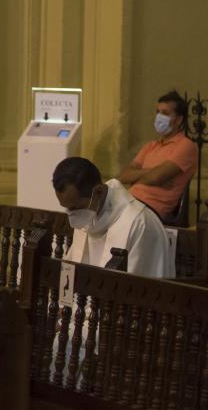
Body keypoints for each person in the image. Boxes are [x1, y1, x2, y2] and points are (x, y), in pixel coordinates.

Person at [55, 157, 171, 277]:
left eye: (76, 208)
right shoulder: (87, 215)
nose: (72, 216)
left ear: (99, 192)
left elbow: (139, 284)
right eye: (67, 209)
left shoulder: (139, 223)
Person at [117, 90, 196, 222]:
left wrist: (137, 178)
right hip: (130, 202)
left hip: (150, 210)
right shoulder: (151, 146)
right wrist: (152, 174)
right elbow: (124, 176)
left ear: (179, 120)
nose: (159, 117)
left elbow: (156, 177)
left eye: (165, 113)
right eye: (157, 112)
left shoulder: (186, 146)